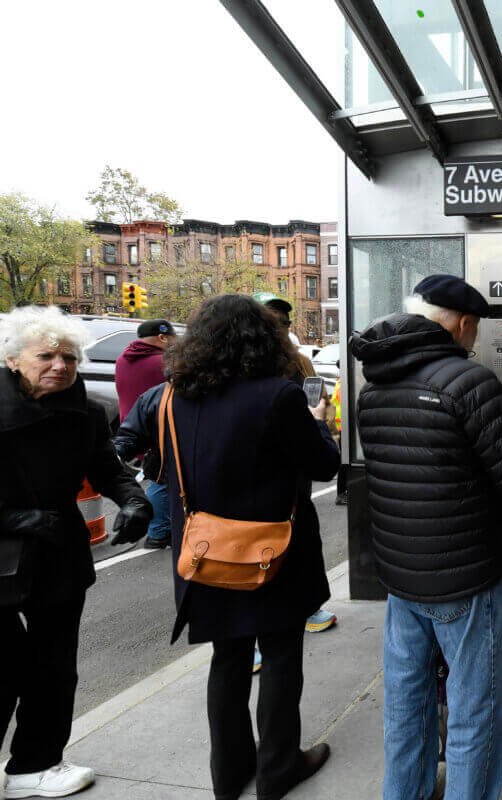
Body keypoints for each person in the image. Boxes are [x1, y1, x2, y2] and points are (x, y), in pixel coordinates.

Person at [350, 274, 502, 800]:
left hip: (401, 581)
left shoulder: (374, 384)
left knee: (407, 705)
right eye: (474, 333)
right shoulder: (469, 384)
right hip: (465, 583)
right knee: (475, 710)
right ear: (465, 324)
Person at [114, 294, 339, 800]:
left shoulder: (166, 397)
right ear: (264, 341)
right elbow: (324, 465)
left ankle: (229, 774)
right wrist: (318, 418)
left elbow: (122, 443)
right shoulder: (279, 397)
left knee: (228, 660)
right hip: (275, 553)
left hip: (204, 552)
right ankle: (278, 769)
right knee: (280, 658)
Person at [1, 306, 151, 799]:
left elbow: (108, 468)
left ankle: (35, 766)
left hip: (58, 555)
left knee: (54, 666)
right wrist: (16, 518)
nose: (59, 366)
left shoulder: (84, 411)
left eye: (68, 356)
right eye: (45, 355)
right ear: (12, 359)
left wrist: (134, 501)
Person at [253, 292, 338, 636]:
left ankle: (309, 606)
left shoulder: (299, 362)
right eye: (272, 322)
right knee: (256, 550)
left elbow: (319, 404)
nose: (280, 329)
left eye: (285, 323)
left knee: (302, 536)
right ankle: (257, 630)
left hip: (294, 470)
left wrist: (321, 417)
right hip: (253, 476)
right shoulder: (232, 366)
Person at [114, 318, 177, 549]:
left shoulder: (123, 359)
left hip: (133, 430)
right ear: (162, 337)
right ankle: (158, 533)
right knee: (163, 481)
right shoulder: (162, 362)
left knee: (157, 478)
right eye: (172, 338)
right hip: (159, 431)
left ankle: (159, 530)